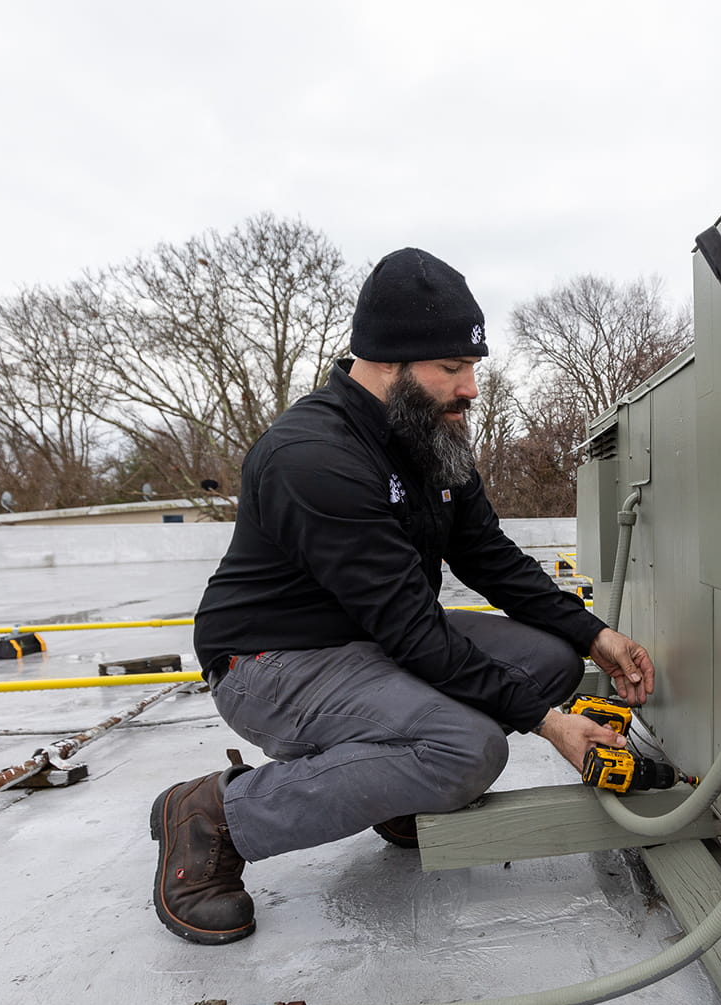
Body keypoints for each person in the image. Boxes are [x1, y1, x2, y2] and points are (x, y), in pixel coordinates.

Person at [150, 248, 655, 945]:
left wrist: (595, 634)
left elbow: (489, 558)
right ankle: (216, 815)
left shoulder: (431, 438)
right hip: (273, 662)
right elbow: (412, 630)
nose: (471, 387)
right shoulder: (314, 456)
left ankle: (396, 789)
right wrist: (549, 724)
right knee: (467, 751)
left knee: (548, 660)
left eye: (473, 366)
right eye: (452, 368)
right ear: (387, 362)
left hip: (371, 638)